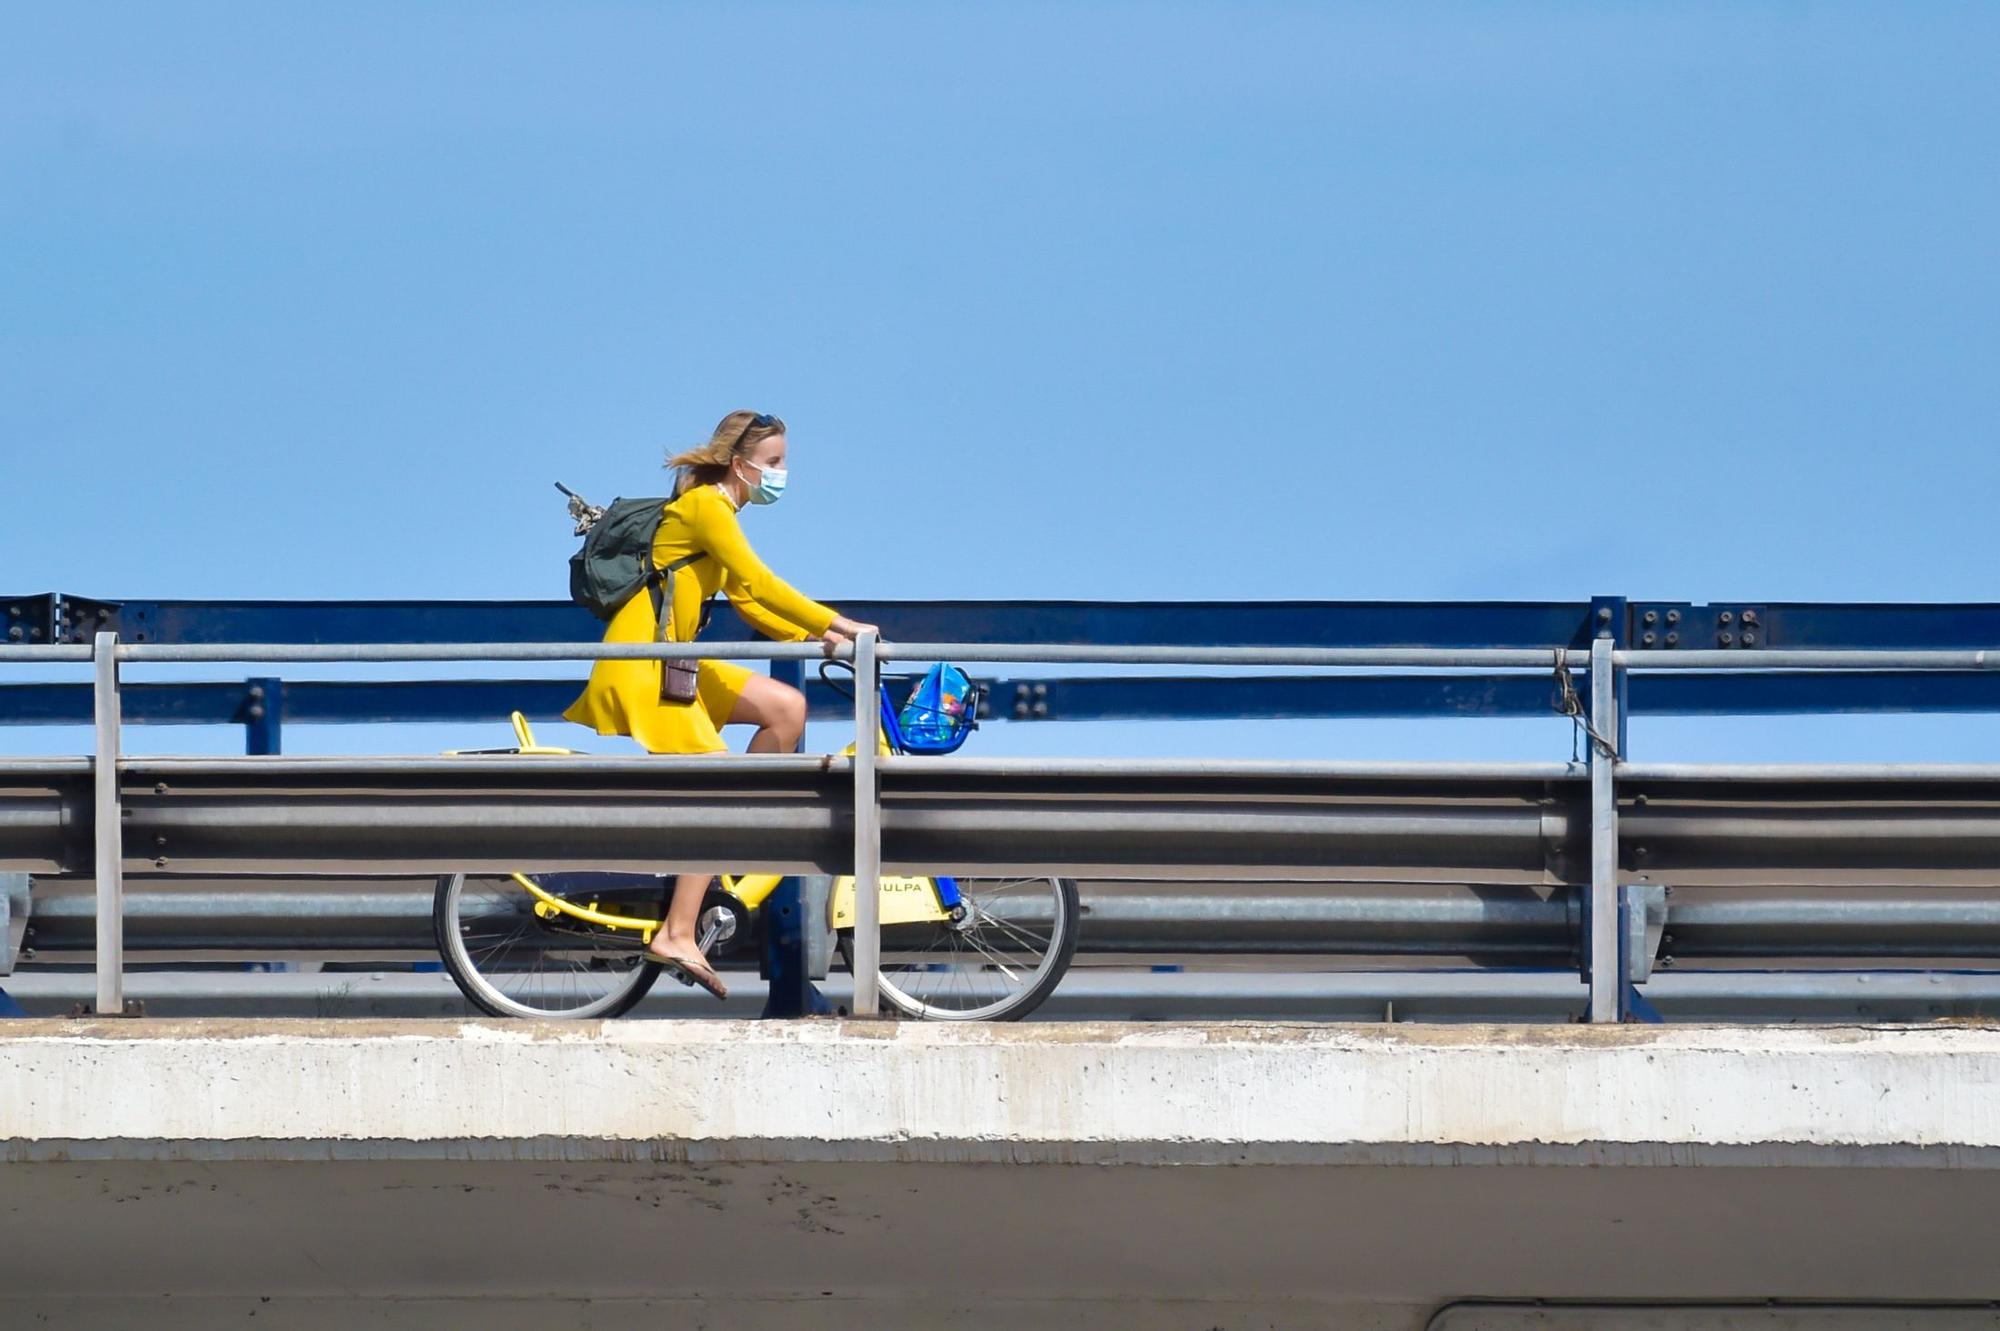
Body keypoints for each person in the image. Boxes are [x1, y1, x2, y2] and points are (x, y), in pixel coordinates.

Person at [563, 410, 879, 999]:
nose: (784, 474)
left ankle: (731, 836)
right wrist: (844, 623)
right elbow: (761, 583)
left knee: (785, 710)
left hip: (675, 663)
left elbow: (749, 604)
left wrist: (819, 642)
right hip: (644, 665)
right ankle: (678, 930)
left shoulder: (720, 512)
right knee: (720, 790)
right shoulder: (708, 506)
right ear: (741, 464)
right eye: (776, 462)